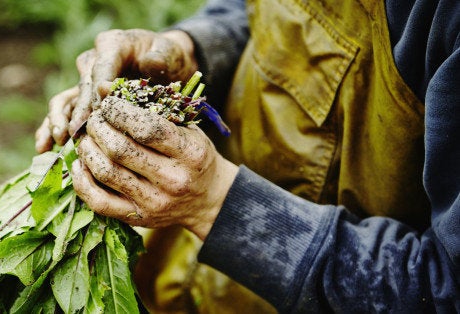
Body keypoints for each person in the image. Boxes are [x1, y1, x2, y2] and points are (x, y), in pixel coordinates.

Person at [35, 0, 460, 312]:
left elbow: (446, 293)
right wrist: (191, 50)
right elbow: (265, 11)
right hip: (192, 274)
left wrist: (218, 204)